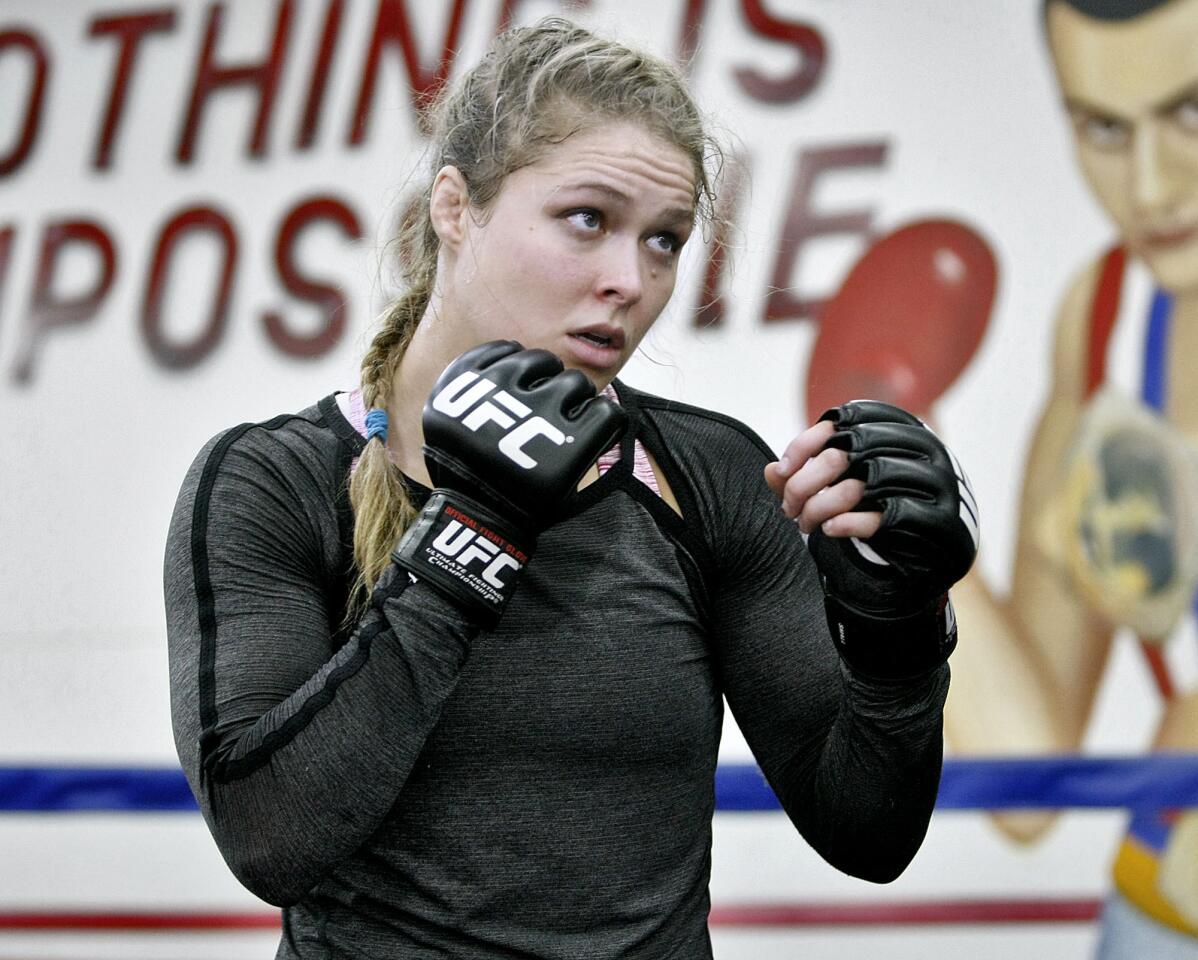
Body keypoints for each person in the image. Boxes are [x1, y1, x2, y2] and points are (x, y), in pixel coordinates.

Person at [165, 18, 977, 958]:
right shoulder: (279, 480)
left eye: (666, 242)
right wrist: (474, 531)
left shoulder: (703, 476)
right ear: (456, 207)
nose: (628, 280)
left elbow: (870, 833)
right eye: (587, 220)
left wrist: (896, 627)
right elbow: (269, 838)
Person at [943, 0, 1198, 955]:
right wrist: (902, 502)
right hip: (1162, 918)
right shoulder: (1107, 317)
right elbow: (1027, 778)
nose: (1150, 185)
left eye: (1192, 112)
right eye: (1103, 126)